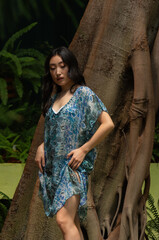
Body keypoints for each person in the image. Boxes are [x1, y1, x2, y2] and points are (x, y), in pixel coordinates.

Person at [35, 46, 114, 240]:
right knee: (72, 223)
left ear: (71, 67)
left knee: (64, 221)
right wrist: (41, 146)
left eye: (62, 66)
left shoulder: (83, 94)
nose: (58, 72)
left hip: (72, 168)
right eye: (53, 68)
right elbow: (54, 133)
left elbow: (108, 124)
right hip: (54, 169)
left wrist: (84, 150)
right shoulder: (53, 99)